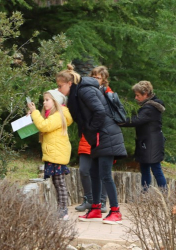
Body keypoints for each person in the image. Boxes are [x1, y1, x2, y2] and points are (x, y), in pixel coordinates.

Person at [56, 64, 127, 225]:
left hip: (106, 136)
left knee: (105, 175)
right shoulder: (77, 93)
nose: (59, 89)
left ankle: (115, 211)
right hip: (97, 137)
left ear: (69, 83)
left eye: (60, 86)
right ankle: (95, 208)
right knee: (94, 173)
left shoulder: (84, 90)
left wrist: (91, 129)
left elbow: (100, 112)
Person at [27, 89, 73, 220]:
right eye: (44, 100)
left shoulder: (59, 115)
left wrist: (34, 112)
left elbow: (44, 126)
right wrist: (33, 115)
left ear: (56, 101)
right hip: (53, 153)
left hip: (57, 154)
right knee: (57, 182)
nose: (44, 102)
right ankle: (61, 209)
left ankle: (63, 211)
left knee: (59, 182)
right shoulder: (52, 115)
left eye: (47, 100)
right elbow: (43, 124)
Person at [75, 66, 113, 213]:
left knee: (103, 172)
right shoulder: (85, 91)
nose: (95, 79)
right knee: (84, 170)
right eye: (94, 76)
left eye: (98, 77)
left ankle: (102, 201)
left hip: (103, 137)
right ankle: (89, 199)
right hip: (87, 137)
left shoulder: (109, 94)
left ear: (104, 79)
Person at [121, 80, 167, 190]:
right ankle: (145, 195)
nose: (136, 98)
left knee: (155, 169)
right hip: (147, 142)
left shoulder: (150, 108)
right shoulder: (150, 106)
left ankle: (164, 194)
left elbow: (136, 120)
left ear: (145, 94)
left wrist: (119, 121)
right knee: (145, 168)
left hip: (151, 143)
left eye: (137, 95)